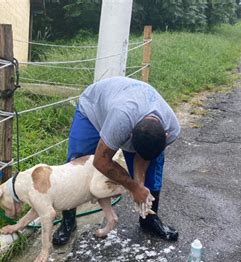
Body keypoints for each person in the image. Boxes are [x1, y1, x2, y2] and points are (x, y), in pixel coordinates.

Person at [52, 76, 180, 246]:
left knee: (154, 167)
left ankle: (149, 219)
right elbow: (100, 161)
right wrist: (133, 186)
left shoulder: (172, 127)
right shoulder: (121, 120)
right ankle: (68, 221)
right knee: (77, 162)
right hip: (94, 108)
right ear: (129, 135)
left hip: (127, 106)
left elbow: (145, 157)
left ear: (166, 135)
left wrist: (140, 185)